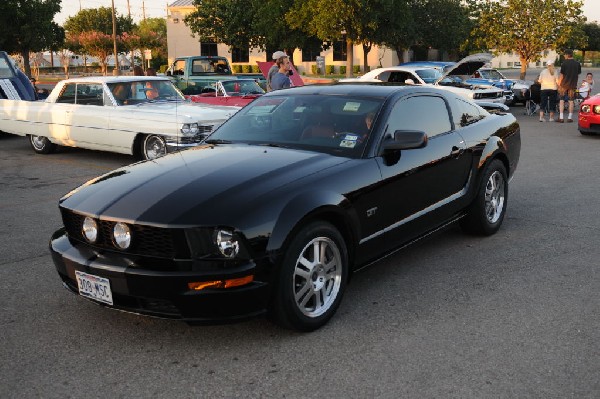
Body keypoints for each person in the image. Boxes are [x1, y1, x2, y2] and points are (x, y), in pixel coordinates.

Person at [557, 49, 581, 123]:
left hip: (564, 84)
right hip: (573, 85)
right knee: (571, 101)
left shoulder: (564, 63)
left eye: (564, 55)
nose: (564, 56)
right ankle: (569, 118)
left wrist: (558, 84)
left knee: (561, 100)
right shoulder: (577, 64)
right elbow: (578, 75)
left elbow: (561, 75)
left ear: (567, 55)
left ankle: (561, 118)